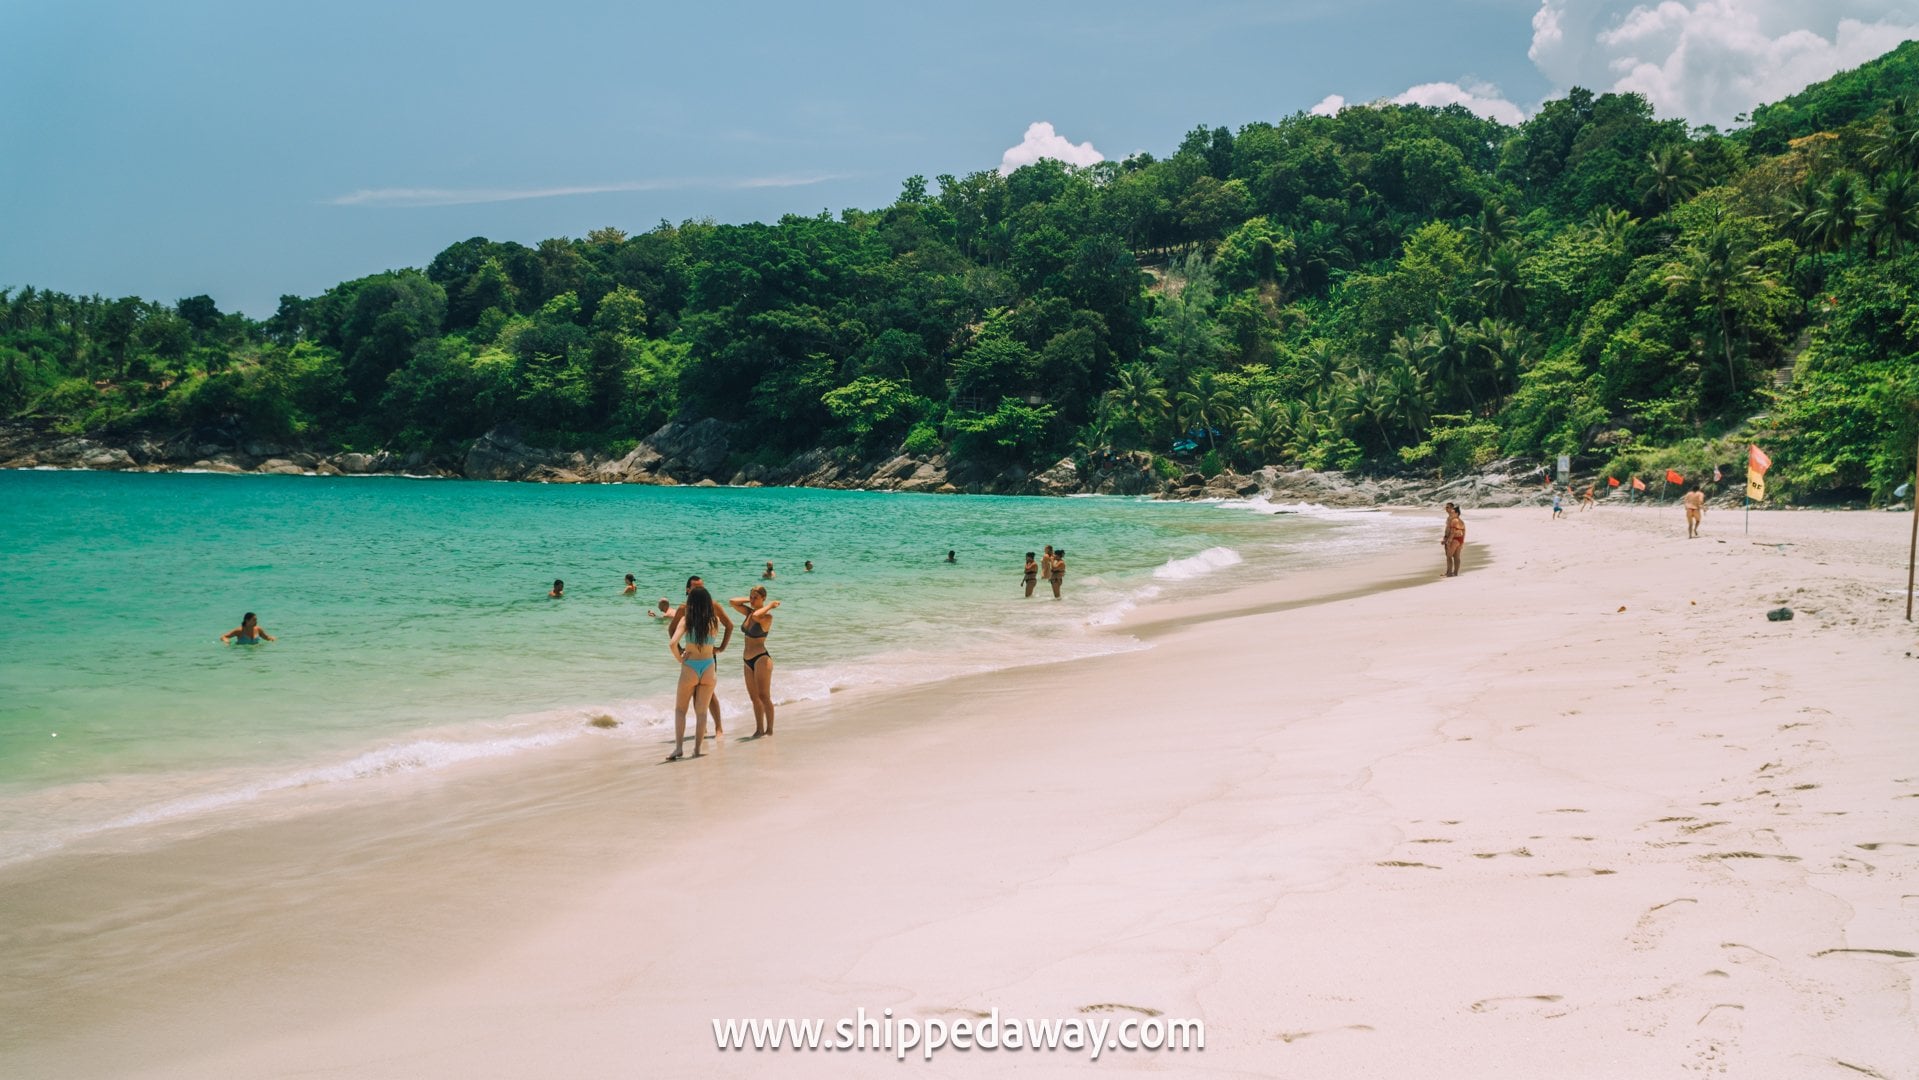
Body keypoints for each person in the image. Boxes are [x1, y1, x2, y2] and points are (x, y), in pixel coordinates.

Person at [666, 587, 725, 761]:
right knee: (702, 712)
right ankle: (697, 749)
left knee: (680, 710)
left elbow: (672, 643)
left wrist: (680, 658)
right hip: (708, 667)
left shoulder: (686, 620)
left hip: (690, 667)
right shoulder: (715, 621)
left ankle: (678, 748)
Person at [669, 576, 733, 735]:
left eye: (702, 587)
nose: (700, 590)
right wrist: (681, 649)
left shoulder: (713, 606)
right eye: (695, 587)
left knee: (709, 694)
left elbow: (729, 625)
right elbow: (671, 630)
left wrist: (721, 647)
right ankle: (702, 728)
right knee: (693, 693)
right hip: (691, 658)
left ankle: (718, 728)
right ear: (687, 590)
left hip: (708, 657)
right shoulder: (683, 609)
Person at [729, 586, 782, 737]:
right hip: (747, 660)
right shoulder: (749, 612)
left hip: (761, 658)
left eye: (755, 597)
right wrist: (750, 599)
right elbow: (732, 602)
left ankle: (770, 729)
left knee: (763, 696)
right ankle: (759, 729)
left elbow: (758, 615)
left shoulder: (767, 617)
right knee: (754, 698)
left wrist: (770, 606)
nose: (751, 600)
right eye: (750, 597)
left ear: (764, 598)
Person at [1442, 503, 1466, 578]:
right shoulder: (1461, 521)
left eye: (1453, 511)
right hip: (1460, 539)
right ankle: (1455, 572)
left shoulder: (1454, 520)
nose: (1451, 512)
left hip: (1454, 539)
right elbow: (1464, 531)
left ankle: (1449, 573)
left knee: (1449, 556)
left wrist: (1448, 540)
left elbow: (1452, 531)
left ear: (1456, 513)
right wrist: (1462, 542)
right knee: (1456, 557)